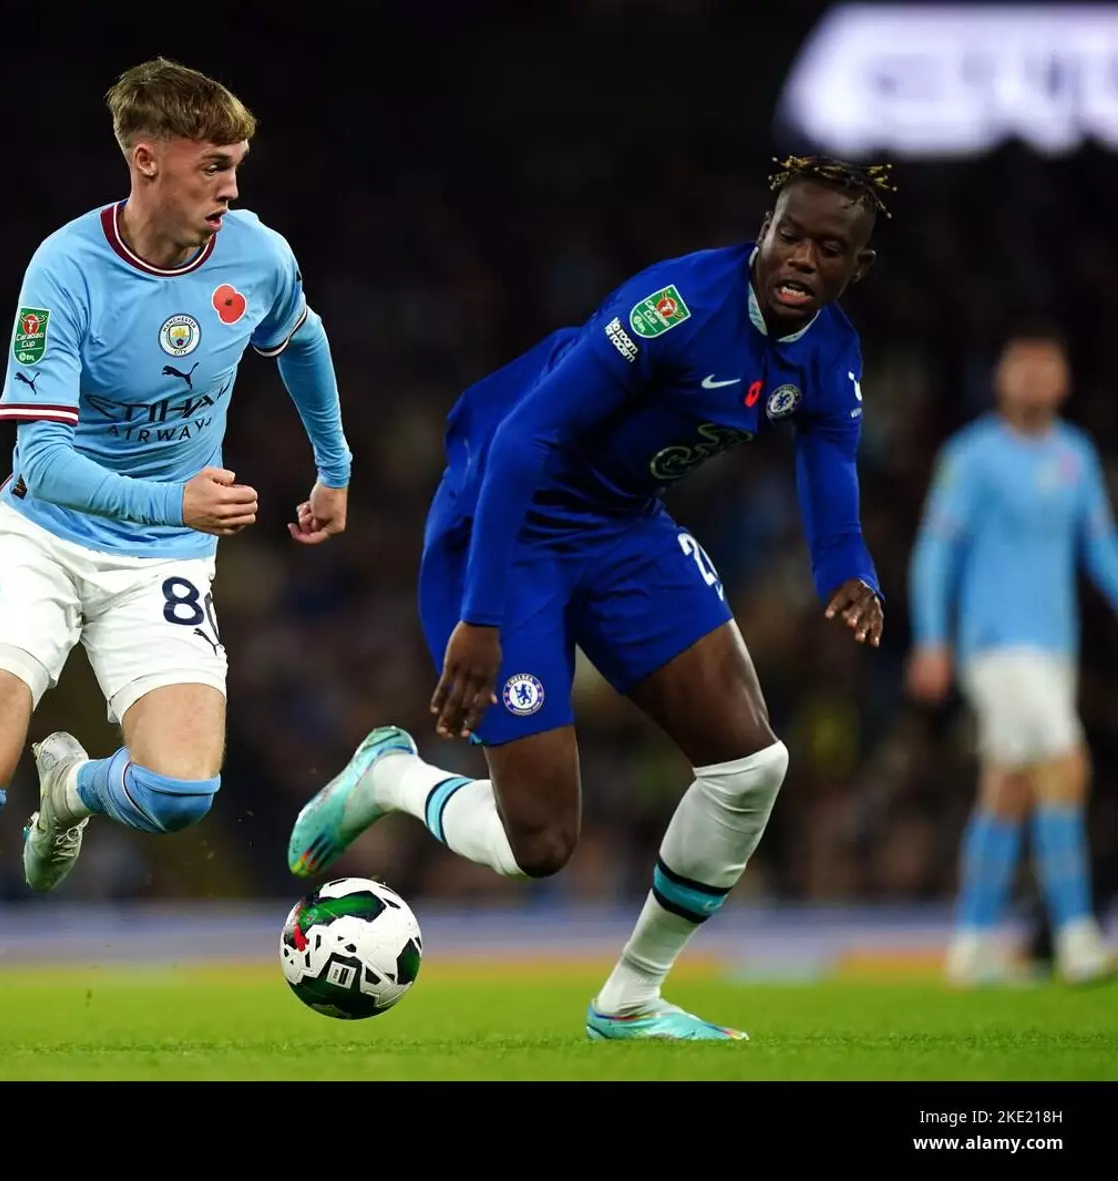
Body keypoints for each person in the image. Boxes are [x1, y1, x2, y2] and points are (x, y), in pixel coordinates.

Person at [287, 155, 890, 1041]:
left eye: (828, 248)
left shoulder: (831, 352)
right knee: (539, 845)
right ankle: (390, 776)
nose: (802, 257)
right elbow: (524, 437)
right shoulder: (676, 306)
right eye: (789, 235)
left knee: (752, 766)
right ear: (762, 230)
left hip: (622, 525)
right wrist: (481, 615)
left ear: (855, 267)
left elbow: (829, 458)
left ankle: (631, 998)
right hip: (511, 515)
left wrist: (849, 570)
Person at [0, 57, 351, 1052]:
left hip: (164, 560)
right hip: (42, 541)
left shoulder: (256, 256)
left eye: (237, 166)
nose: (232, 188)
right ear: (147, 160)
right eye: (213, 167)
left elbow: (303, 338)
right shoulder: (64, 270)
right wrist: (173, 497)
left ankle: (70, 791)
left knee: (182, 794)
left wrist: (335, 466)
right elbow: (42, 461)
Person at [907, 325, 1115, 987]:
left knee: (1008, 787)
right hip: (996, 643)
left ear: (1063, 379)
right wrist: (931, 637)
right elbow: (936, 551)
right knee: (1065, 763)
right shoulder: (972, 457)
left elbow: (1101, 548)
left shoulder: (1076, 456)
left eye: (1044, 366)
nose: (1033, 377)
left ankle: (970, 945)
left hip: (1055, 646)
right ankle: (1077, 937)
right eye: (1020, 366)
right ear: (1000, 377)